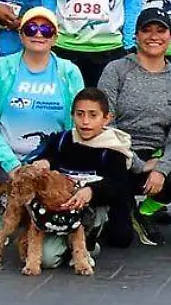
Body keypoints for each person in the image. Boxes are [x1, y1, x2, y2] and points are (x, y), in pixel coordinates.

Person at [0, 7, 85, 245]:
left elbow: (76, 125)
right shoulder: (1, 67)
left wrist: (51, 163)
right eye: (31, 28)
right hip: (5, 159)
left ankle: (34, 220)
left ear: (55, 37)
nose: (38, 34)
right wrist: (11, 164)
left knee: (49, 252)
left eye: (46, 29)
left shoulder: (69, 72)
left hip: (48, 164)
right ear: (20, 34)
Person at [98, 8, 171, 248]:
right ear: (136, 36)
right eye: (147, 30)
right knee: (119, 239)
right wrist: (137, 163)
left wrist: (160, 169)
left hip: (156, 158)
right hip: (118, 154)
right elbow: (106, 123)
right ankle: (119, 211)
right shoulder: (116, 70)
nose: (154, 36)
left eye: (161, 30)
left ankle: (149, 210)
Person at [32, 88, 142, 257]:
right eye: (80, 114)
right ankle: (69, 244)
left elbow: (118, 185)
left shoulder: (113, 149)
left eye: (93, 115)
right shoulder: (63, 140)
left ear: (106, 118)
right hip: (62, 207)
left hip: (96, 205)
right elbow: (50, 157)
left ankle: (89, 239)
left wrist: (92, 190)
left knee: (121, 237)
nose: (85, 122)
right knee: (46, 258)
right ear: (72, 116)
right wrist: (45, 162)